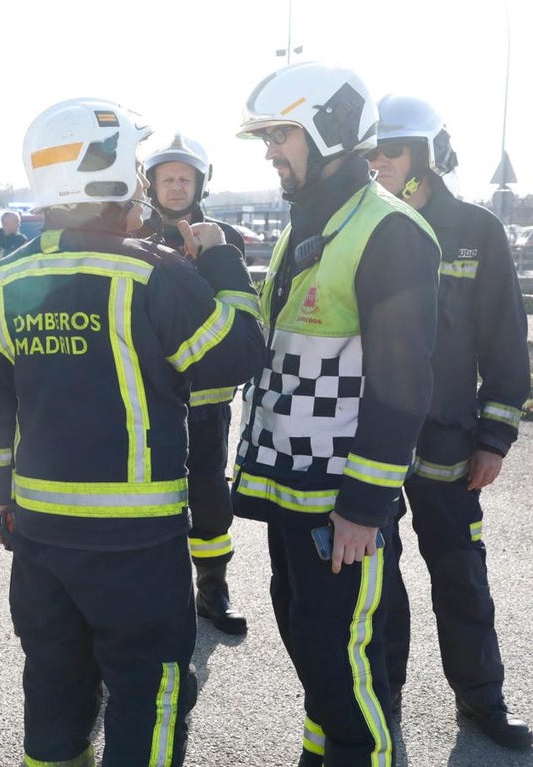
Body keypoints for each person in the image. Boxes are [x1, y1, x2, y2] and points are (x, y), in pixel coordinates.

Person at [0, 97, 264, 766]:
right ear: (104, 179)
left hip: (39, 533)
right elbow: (239, 353)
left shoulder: (4, 279)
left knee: (55, 681)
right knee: (149, 692)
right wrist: (221, 262)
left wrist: (4, 497)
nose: (141, 183)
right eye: (134, 169)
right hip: (135, 540)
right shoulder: (156, 273)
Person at [231, 63, 440, 767]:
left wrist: (363, 507)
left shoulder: (389, 231)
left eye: (280, 135)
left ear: (330, 129)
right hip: (290, 488)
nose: (269, 152)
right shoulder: (309, 221)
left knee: (344, 664)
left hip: (339, 502)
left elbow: (403, 385)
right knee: (312, 644)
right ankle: (320, 754)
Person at [370, 93, 532, 749]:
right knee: (376, 583)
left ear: (427, 156)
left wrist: (494, 437)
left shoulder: (475, 230)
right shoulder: (363, 227)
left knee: (461, 577)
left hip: (450, 445)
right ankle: (382, 697)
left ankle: (481, 698)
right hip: (373, 442)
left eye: (392, 150)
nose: (378, 162)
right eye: (372, 151)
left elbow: (505, 343)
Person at [139, 133, 250, 636]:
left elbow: (234, 307)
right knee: (152, 501)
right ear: (151, 184)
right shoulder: (134, 235)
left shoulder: (223, 237)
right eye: (168, 178)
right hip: (150, 400)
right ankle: (162, 595)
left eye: (185, 178)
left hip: (207, 402)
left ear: (201, 184)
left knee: (209, 497)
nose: (176, 187)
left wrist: (209, 258)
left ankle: (212, 589)